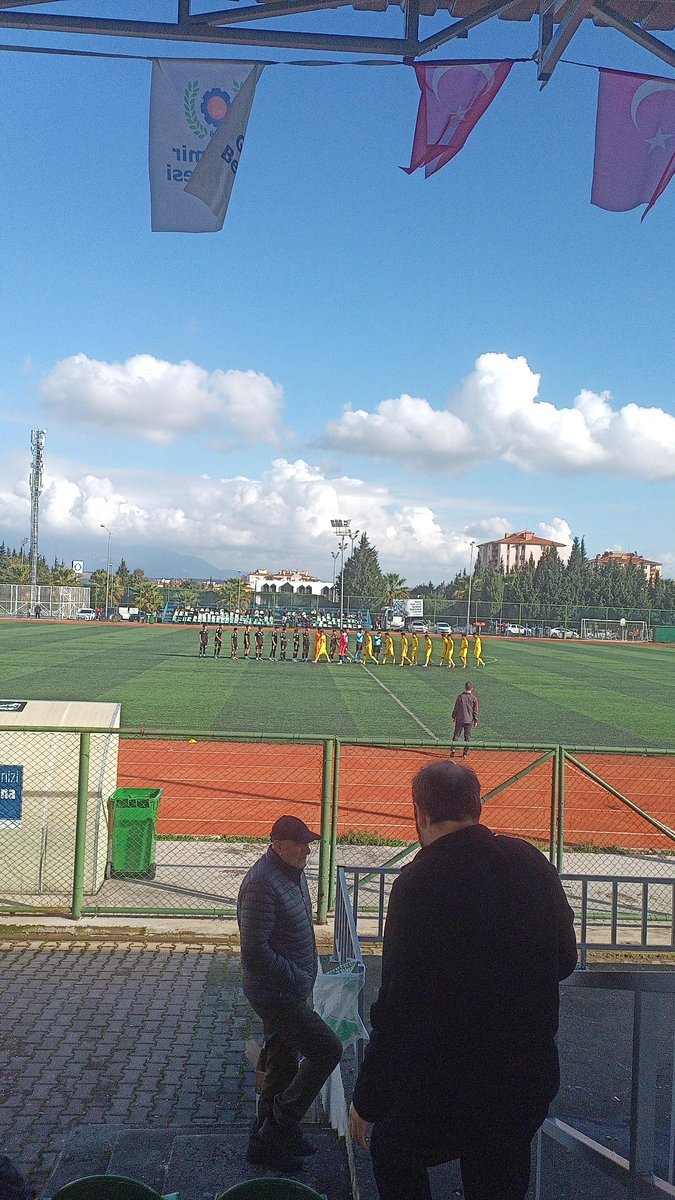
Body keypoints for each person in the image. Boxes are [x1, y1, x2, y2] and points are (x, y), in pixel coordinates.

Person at [349, 760, 577, 1200]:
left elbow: (399, 1008)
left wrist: (368, 1099)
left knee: (392, 1149)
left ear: (420, 813)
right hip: (524, 1083)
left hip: (450, 1090)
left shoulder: (417, 884)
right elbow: (564, 960)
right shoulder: (530, 862)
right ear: (477, 806)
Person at [238, 815, 343, 1172]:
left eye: (309, 844)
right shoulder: (262, 884)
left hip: (289, 990)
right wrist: (297, 977)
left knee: (282, 1066)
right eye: (299, 843)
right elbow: (254, 949)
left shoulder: (289, 875)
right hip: (277, 995)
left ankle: (262, 1144)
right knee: (327, 1049)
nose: (306, 850)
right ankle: (281, 1125)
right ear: (277, 844)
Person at [451, 681, 479, 757]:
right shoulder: (474, 698)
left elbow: (456, 708)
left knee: (456, 735)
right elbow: (475, 710)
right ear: (472, 688)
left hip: (460, 719)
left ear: (465, 687)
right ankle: (465, 753)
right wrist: (475, 720)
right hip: (469, 720)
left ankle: (453, 749)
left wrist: (454, 717)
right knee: (467, 737)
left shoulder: (460, 697)